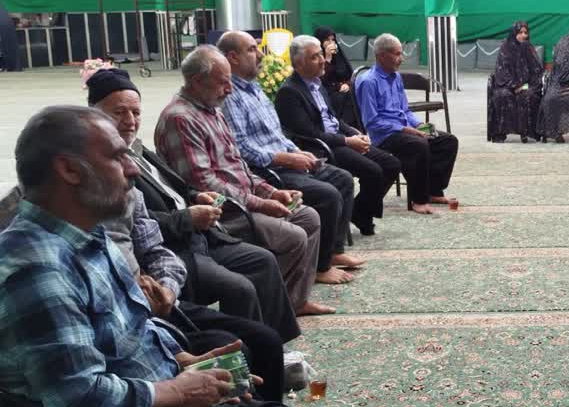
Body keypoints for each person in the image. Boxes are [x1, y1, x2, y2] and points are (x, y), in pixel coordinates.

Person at [0, 106, 308, 407]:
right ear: (70, 170)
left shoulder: (86, 235)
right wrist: (179, 392)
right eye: (117, 156)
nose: (132, 168)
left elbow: (131, 333)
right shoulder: (36, 270)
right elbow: (81, 405)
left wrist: (185, 365)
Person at [89, 68, 301, 343]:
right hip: (175, 246)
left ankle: (278, 347)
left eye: (136, 113)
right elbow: (135, 224)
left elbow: (176, 185)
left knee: (263, 260)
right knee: (241, 287)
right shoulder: (103, 165)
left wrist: (196, 196)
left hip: (201, 233)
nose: (130, 121)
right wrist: (187, 217)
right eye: (118, 113)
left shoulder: (139, 150)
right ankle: (250, 353)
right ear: (93, 114)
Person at [154, 45, 334, 317]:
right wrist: (260, 203)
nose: (229, 90)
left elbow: (239, 167)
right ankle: (270, 308)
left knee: (308, 217)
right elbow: (204, 185)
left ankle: (290, 302)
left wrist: (271, 192)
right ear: (197, 82)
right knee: (294, 236)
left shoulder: (212, 109)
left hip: (245, 200)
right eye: (222, 82)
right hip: (223, 213)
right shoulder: (181, 118)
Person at [217, 30, 364, 285]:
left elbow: (277, 133)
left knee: (342, 179)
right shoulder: (230, 96)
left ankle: (333, 251)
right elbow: (241, 148)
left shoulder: (254, 88)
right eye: (252, 49)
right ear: (233, 58)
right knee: (328, 194)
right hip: (267, 169)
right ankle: (320, 267)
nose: (261, 55)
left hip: (285, 158)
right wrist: (285, 158)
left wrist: (296, 151)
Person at [276, 35, 401, 236]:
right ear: (299, 64)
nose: (322, 60)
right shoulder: (289, 92)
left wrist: (353, 132)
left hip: (340, 139)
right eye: (314, 57)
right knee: (373, 171)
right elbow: (309, 133)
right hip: (322, 147)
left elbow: (333, 118)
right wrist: (347, 141)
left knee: (391, 164)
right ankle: (361, 216)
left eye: (320, 55)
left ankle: (358, 212)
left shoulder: (318, 84)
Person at [355, 33, 460, 215]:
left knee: (447, 141)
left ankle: (433, 191)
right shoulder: (368, 82)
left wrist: (418, 125)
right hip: (384, 135)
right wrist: (407, 130)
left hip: (403, 128)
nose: (401, 58)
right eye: (397, 54)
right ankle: (418, 199)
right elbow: (372, 121)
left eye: (401, 53)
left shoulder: (396, 77)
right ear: (381, 56)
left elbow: (405, 110)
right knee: (418, 145)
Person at [489, 21, 543, 143]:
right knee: (502, 95)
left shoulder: (529, 48)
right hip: (507, 85)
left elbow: (536, 70)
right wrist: (514, 85)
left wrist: (524, 85)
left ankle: (525, 132)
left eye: (525, 32)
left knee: (527, 96)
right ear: (514, 33)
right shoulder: (505, 48)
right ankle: (500, 133)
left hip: (526, 85)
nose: (523, 35)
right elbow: (502, 71)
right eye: (520, 32)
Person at [313, 25, 359, 127]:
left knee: (355, 93)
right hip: (327, 92)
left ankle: (357, 127)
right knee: (342, 98)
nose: (331, 43)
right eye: (327, 40)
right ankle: (346, 128)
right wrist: (327, 59)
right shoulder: (315, 58)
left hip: (344, 90)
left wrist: (347, 84)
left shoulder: (339, 55)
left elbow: (350, 74)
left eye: (332, 40)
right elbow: (320, 80)